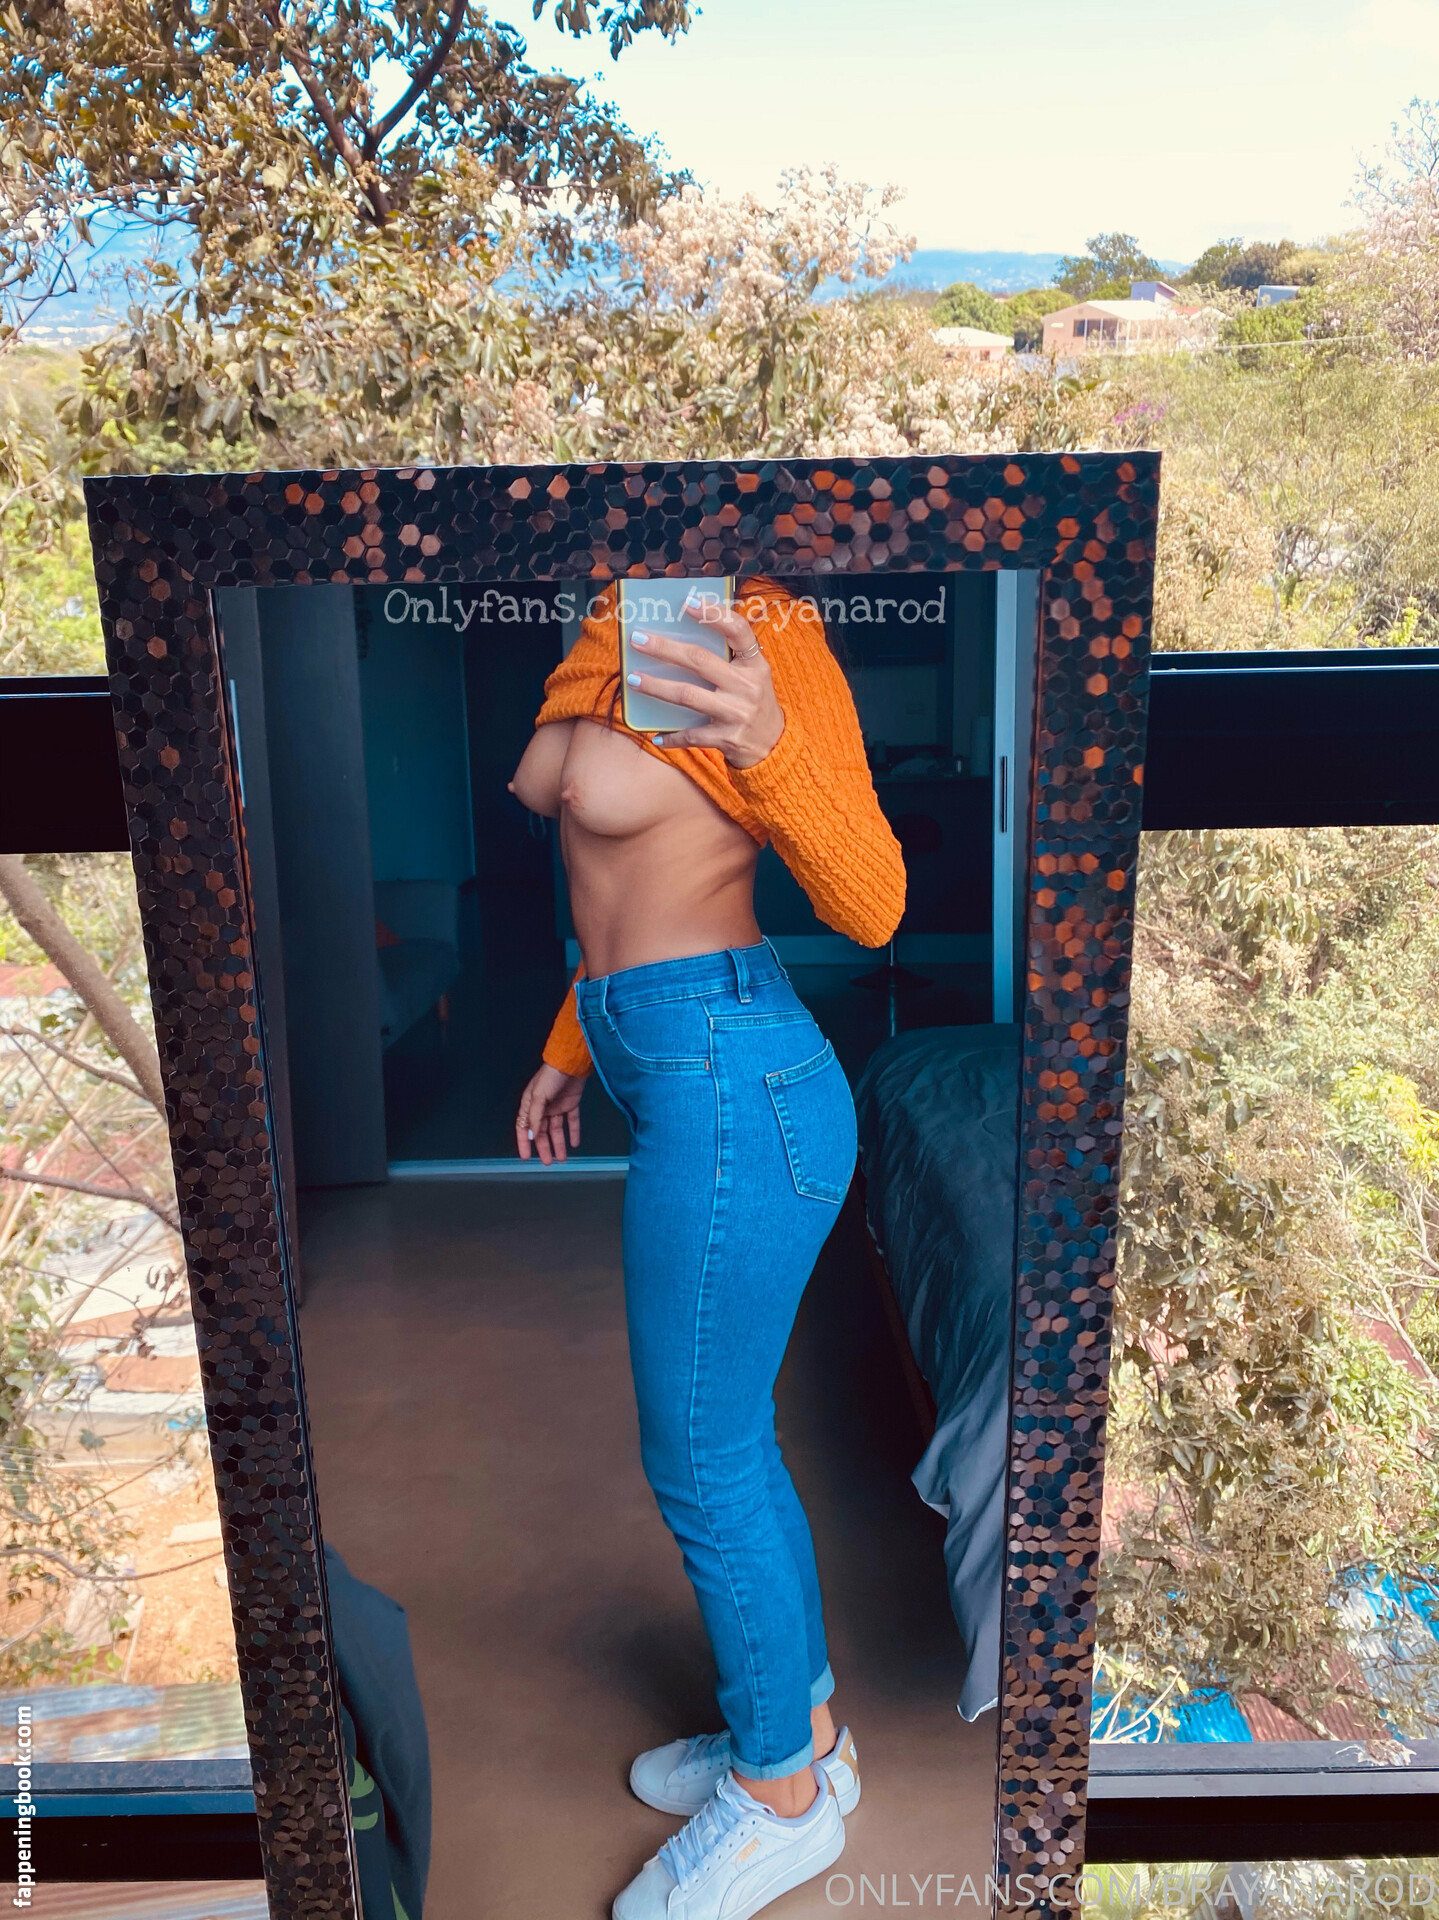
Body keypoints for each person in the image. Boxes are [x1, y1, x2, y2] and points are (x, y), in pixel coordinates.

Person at [509, 575, 905, 1920]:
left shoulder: (763, 626)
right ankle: (801, 1731)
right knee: (730, 1441)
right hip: (668, 1054)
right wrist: (570, 1049)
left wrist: (770, 742)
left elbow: (874, 902)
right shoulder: (604, 622)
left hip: (738, 1076)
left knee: (702, 1454)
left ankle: (781, 1802)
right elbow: (608, 890)